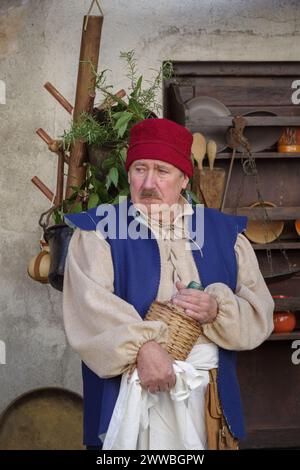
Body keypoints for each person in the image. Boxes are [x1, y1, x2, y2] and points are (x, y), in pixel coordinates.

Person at [63, 118, 274, 450]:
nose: (148, 183)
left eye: (162, 171)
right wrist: (145, 348)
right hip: (130, 391)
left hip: (207, 398)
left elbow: (259, 312)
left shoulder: (224, 233)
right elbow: (91, 308)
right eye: (139, 170)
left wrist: (217, 309)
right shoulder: (98, 231)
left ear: (184, 179)